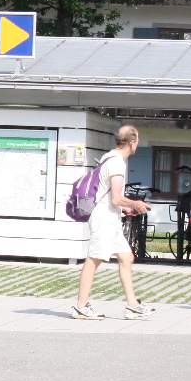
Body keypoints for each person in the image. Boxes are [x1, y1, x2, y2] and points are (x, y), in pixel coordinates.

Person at [73, 124, 154, 320]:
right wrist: (135, 203)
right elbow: (117, 198)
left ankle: (132, 305)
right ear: (132, 142)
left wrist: (124, 207)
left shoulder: (108, 156)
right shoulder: (117, 163)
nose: (138, 144)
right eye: (138, 140)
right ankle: (81, 306)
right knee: (94, 260)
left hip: (110, 218)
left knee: (126, 258)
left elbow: (109, 195)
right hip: (104, 220)